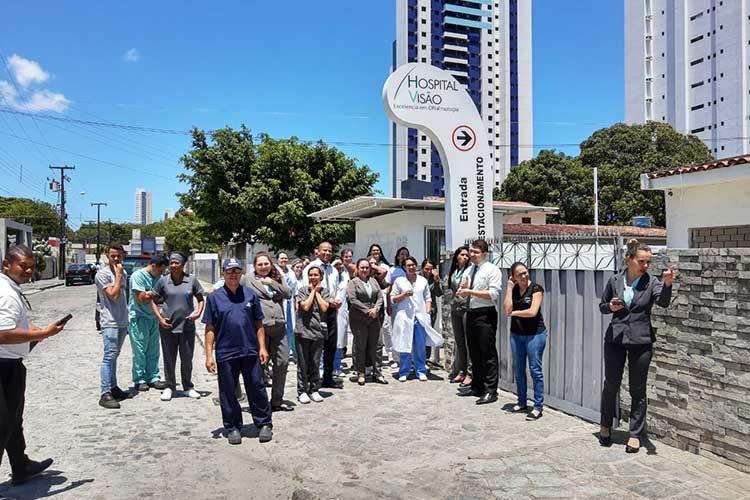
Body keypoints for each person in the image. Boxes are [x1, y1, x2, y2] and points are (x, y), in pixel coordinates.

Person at [599, 239, 675, 453]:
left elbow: (663, 302)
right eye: (642, 261)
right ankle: (605, 425)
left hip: (641, 342)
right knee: (611, 384)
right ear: (629, 259)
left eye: (648, 262)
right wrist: (610, 307)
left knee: (638, 389)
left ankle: (635, 434)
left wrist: (668, 284)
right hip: (615, 340)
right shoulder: (614, 280)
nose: (646, 265)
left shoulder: (652, 282)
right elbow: (602, 306)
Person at [0, 245, 62, 486]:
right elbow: (3, 334)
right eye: (22, 266)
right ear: (6, 265)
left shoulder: (9, 288)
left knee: (13, 420)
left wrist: (33, 331)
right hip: (3, 366)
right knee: (3, 424)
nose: (28, 271)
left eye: (31, 267)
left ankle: (21, 465)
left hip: (11, 364)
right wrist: (43, 333)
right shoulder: (6, 293)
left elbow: (13, 324)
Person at [203, 258, 273, 445]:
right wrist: (209, 355)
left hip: (250, 350)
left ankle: (264, 423)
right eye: (229, 271)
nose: (233, 275)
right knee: (228, 391)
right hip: (226, 352)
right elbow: (210, 328)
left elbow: (259, 323)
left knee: (256, 387)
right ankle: (232, 426)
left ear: (241, 273)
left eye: (236, 271)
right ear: (223, 274)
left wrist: (262, 347)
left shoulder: (250, 295)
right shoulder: (214, 298)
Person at [151, 252, 205, 402]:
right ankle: (170, 387)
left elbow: (200, 299)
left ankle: (188, 387)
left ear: (183, 265)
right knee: (169, 358)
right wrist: (160, 318)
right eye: (172, 263)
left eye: (177, 263)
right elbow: (153, 300)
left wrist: (198, 313)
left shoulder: (191, 280)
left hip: (187, 326)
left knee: (187, 358)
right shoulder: (163, 281)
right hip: (168, 327)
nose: (174, 265)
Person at [457, 239, 502, 405]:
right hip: (471, 312)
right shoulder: (470, 269)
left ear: (485, 254)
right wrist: (463, 290)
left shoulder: (492, 270)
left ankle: (491, 390)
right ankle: (477, 385)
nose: (472, 254)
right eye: (471, 251)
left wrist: (470, 292)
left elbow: (493, 294)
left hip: (485, 313)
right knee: (474, 352)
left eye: (476, 252)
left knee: (487, 353)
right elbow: (462, 290)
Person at [247, 252, 293, 412]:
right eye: (260, 264)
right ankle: (259, 402)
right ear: (255, 266)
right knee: (259, 366)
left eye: (266, 264)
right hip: (260, 329)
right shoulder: (248, 279)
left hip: (279, 327)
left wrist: (272, 282)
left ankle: (277, 399)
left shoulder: (277, 276)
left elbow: (288, 293)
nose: (263, 267)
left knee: (282, 362)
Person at [503, 262, 547, 420]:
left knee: (535, 370)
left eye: (525, 272)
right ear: (513, 277)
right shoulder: (514, 289)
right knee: (519, 369)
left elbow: (532, 312)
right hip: (517, 334)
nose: (524, 276)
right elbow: (506, 308)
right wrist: (509, 288)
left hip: (535, 334)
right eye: (519, 274)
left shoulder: (536, 289)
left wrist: (514, 313)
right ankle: (521, 402)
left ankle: (538, 406)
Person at [391, 256, 443, 382]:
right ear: (404, 267)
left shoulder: (422, 281)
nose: (411, 267)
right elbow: (393, 299)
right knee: (405, 344)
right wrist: (403, 295)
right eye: (408, 265)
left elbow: (428, 298)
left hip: (420, 316)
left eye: (413, 265)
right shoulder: (399, 281)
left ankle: (420, 370)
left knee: (420, 345)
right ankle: (404, 371)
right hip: (405, 316)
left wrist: (428, 311)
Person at [96, 243, 133, 409]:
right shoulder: (102, 275)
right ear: (107, 256)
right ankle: (105, 393)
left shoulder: (123, 272)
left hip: (122, 320)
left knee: (115, 355)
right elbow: (113, 295)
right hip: (110, 321)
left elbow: (124, 296)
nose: (116, 259)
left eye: (119, 255)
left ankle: (113, 387)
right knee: (109, 356)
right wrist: (117, 276)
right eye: (113, 256)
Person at [302, 242, 342, 389]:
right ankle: (311, 378)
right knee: (313, 345)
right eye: (324, 250)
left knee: (331, 344)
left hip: (331, 310)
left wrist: (337, 300)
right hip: (315, 310)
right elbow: (306, 288)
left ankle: (328, 377)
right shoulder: (310, 268)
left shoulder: (333, 270)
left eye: (330, 251)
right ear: (318, 251)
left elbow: (336, 289)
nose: (327, 253)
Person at [129, 255, 169, 392]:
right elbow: (141, 299)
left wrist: (152, 294)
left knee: (153, 350)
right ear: (153, 266)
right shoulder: (138, 276)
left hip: (154, 317)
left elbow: (159, 298)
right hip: (139, 318)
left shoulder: (159, 278)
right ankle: (139, 379)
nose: (161, 273)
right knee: (140, 350)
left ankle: (153, 377)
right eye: (160, 270)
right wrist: (155, 293)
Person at [347, 259, 387, 385]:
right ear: (357, 269)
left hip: (374, 317)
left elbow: (380, 297)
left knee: (377, 345)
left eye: (367, 268)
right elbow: (353, 299)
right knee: (361, 345)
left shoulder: (373, 281)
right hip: (359, 318)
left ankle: (377, 372)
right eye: (362, 268)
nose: (364, 270)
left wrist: (376, 309)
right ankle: (361, 372)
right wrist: (367, 310)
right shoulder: (353, 282)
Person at [295, 266, 330, 403]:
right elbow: (305, 306)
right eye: (311, 275)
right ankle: (302, 390)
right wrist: (313, 292)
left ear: (321, 277)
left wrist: (317, 293)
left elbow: (324, 307)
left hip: (318, 331)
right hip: (303, 331)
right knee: (303, 363)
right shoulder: (302, 290)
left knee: (315, 362)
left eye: (316, 275)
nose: (313, 277)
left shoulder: (325, 291)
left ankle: (314, 389)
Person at [447, 246, 472, 386]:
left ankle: (470, 372)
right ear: (457, 256)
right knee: (459, 341)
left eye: (467, 255)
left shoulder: (470, 270)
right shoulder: (455, 270)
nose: (465, 257)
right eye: (462, 254)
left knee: (468, 341)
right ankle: (461, 370)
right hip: (455, 306)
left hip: (465, 306)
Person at [421, 258, 443, 362]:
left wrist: (436, 280)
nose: (428, 272)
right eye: (426, 269)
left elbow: (439, 293)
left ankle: (426, 357)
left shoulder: (434, 279)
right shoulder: (417, 277)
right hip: (418, 308)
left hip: (431, 310)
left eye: (430, 269)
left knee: (428, 333)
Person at [276, 252, 298, 363]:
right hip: (280, 303)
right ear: (277, 260)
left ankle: (287, 352)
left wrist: (296, 301)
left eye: (285, 258)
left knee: (290, 329)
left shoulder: (291, 272)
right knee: (281, 329)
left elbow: (295, 289)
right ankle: (279, 353)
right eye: (282, 258)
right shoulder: (275, 271)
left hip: (290, 304)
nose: (284, 260)